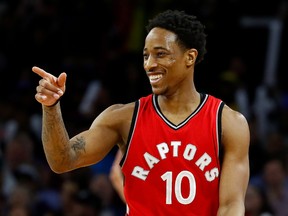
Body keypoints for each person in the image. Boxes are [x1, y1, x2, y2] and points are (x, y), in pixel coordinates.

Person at [32, 9, 250, 215]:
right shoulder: (123, 118)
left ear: (190, 57)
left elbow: (231, 204)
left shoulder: (227, 123)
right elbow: (62, 160)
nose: (149, 64)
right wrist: (51, 107)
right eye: (146, 56)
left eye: (160, 54)